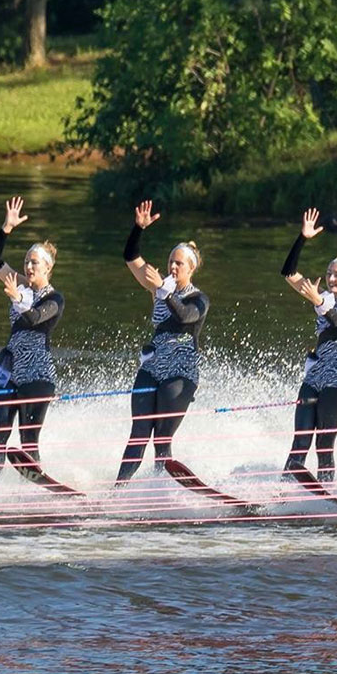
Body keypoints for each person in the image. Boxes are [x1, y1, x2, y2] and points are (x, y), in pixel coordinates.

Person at [117, 200, 210, 484]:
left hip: (181, 373)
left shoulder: (199, 298)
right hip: (152, 367)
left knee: (162, 438)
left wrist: (165, 292)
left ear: (190, 269)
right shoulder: (158, 286)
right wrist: (138, 229)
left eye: (178, 263)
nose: (172, 266)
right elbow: (131, 257)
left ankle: (159, 488)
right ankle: (117, 490)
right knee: (139, 432)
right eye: (170, 261)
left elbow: (185, 318)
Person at [280, 208, 337, 484]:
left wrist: (319, 301)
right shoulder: (323, 296)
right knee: (300, 439)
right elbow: (288, 272)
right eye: (329, 273)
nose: (331, 279)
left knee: (324, 446)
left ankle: (327, 493)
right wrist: (302, 238)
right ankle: (281, 493)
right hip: (315, 376)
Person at [0, 196, 65, 476]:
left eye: (35, 263)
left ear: (48, 268)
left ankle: (33, 488)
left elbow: (33, 318)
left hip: (38, 375)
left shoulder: (55, 298)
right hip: (9, 369)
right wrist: (6, 229)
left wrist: (19, 298)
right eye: (27, 262)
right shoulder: (18, 283)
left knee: (28, 440)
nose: (29, 267)